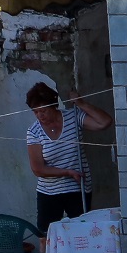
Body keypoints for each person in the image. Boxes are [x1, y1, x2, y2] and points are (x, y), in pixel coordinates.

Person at [25, 82, 112, 231]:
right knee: (46, 235)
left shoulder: (73, 116)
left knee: (82, 231)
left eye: (44, 111)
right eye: (36, 112)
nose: (40, 116)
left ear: (54, 105)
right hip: (50, 191)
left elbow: (104, 122)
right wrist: (67, 172)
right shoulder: (34, 132)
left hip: (78, 188)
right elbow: (38, 169)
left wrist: (81, 103)